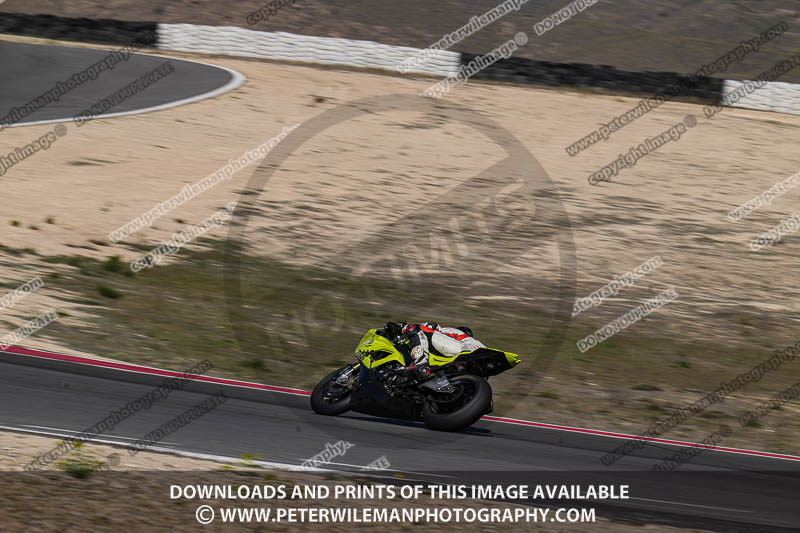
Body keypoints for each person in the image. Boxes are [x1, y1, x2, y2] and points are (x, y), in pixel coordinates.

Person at [400, 322, 485, 366]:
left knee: (414, 328)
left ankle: (420, 360)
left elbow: (431, 326)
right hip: (477, 360)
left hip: (461, 351)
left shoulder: (459, 333)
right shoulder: (477, 343)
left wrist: (403, 327)